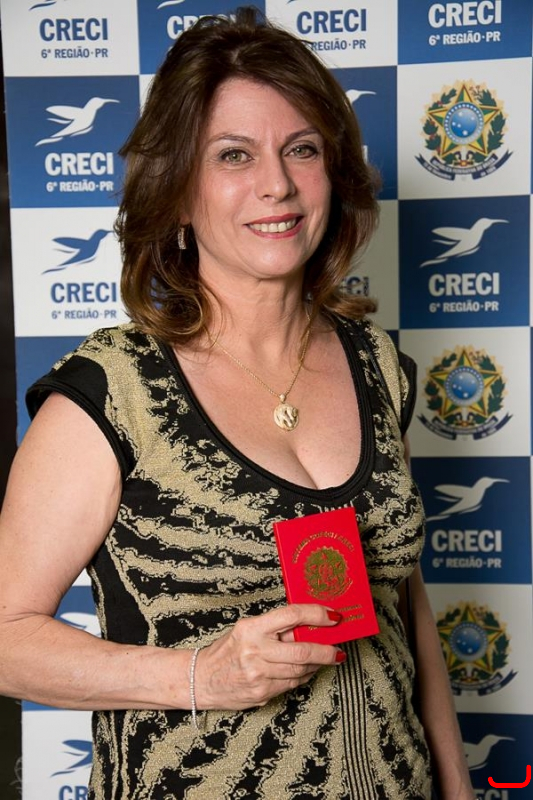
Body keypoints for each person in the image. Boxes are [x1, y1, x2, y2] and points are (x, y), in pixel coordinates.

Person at [0, 7, 474, 799]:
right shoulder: (113, 391)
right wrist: (199, 676)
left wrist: (454, 782)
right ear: (177, 192)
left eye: (301, 149)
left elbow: (402, 599)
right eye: (233, 155)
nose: (276, 184)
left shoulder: (376, 365)